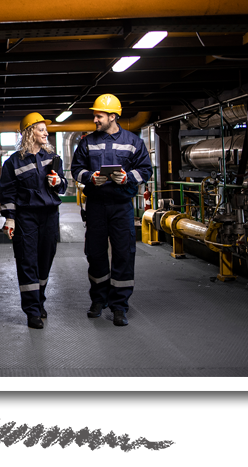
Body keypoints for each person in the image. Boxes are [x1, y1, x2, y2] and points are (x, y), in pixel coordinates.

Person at [70, 94, 152, 326]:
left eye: (99, 116)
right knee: (95, 253)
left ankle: (119, 306)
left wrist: (127, 178)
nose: (95, 120)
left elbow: (145, 170)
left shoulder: (133, 141)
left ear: (113, 116)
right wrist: (89, 177)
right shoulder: (87, 142)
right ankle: (98, 300)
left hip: (121, 206)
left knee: (124, 253)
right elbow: (76, 169)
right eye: (95, 116)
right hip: (96, 205)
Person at [0, 112, 68, 329]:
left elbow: (63, 186)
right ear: (30, 133)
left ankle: (39, 301)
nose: (46, 133)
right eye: (41, 129)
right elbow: (7, 193)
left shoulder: (53, 158)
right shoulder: (13, 162)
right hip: (26, 217)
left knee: (45, 260)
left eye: (45, 130)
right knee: (27, 261)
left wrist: (58, 182)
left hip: (49, 216)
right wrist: (10, 219)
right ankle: (32, 311)